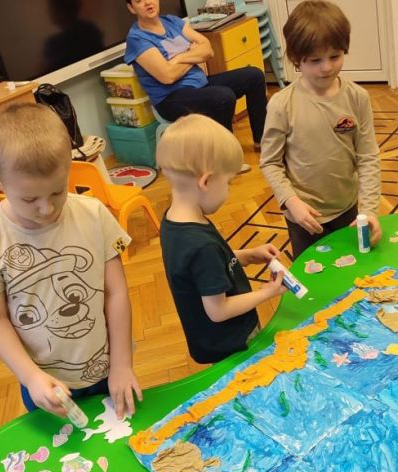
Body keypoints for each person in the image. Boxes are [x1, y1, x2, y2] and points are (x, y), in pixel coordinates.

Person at [0, 103, 142, 419]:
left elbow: (116, 292)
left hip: (108, 368)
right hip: (44, 382)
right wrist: (30, 376)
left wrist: (122, 364)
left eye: (58, 192)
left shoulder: (94, 215)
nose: (47, 209)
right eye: (29, 199)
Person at [157, 114, 286, 364]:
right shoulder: (200, 245)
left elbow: (202, 271)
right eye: (228, 183)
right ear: (206, 181)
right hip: (230, 342)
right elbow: (219, 310)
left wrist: (247, 256)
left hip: (211, 339)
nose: (228, 191)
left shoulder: (174, 221)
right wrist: (266, 293)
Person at [260, 0, 382, 258]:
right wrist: (291, 202)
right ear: (296, 59)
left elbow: (368, 157)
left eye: (335, 56)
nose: (326, 67)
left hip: (348, 209)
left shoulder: (357, 97)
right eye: (315, 60)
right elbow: (270, 162)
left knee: (352, 270)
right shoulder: (282, 105)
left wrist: (369, 209)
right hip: (303, 215)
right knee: (311, 273)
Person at [124, 0, 268, 149]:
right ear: (131, 8)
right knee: (223, 97)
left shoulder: (172, 22)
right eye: (139, 1)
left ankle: (262, 142)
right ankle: (224, 153)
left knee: (254, 76)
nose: (148, 2)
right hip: (170, 99)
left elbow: (208, 50)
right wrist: (193, 54)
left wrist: (179, 58)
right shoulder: (137, 39)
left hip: (200, 85)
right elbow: (167, 76)